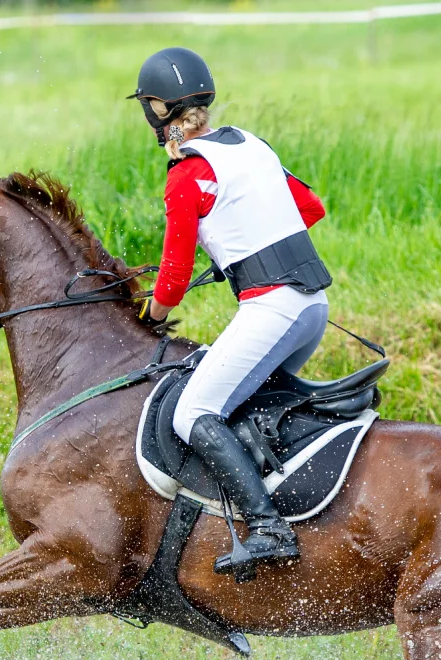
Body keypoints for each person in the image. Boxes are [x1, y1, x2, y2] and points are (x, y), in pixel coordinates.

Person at [128, 47, 333, 580]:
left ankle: (268, 529)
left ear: (155, 108)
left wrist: (152, 312)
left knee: (192, 412)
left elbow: (172, 279)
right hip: (313, 307)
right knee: (241, 404)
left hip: (272, 309)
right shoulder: (250, 145)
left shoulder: (186, 174)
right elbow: (312, 208)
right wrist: (242, 236)